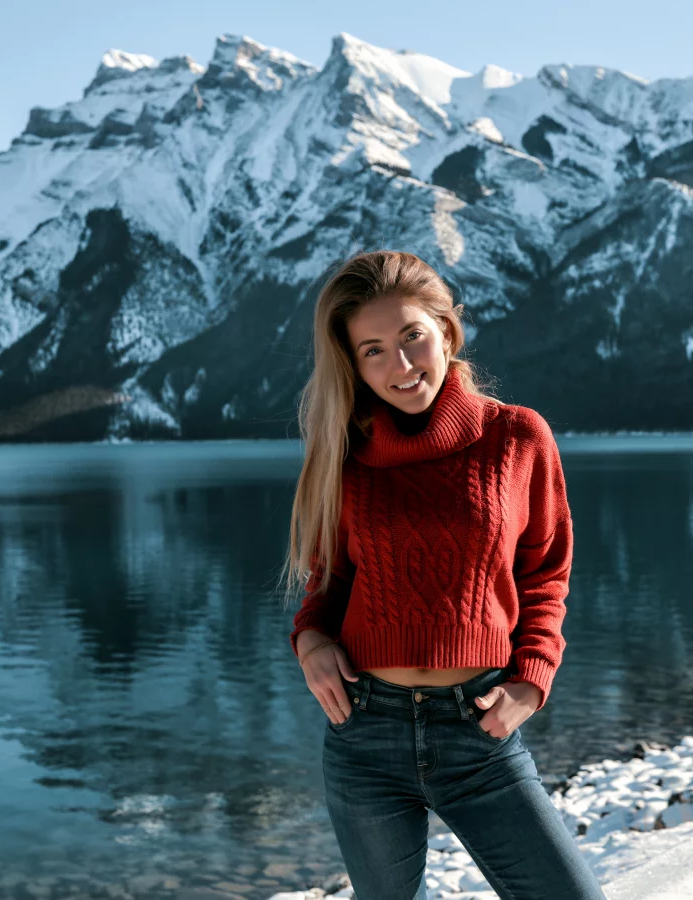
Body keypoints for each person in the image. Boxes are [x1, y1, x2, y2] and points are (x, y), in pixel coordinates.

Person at [278, 250, 607, 899]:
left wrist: (532, 679)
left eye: (411, 337)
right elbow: (328, 586)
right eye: (373, 350)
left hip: (479, 728)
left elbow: (545, 573)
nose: (399, 366)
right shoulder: (343, 458)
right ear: (352, 363)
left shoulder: (516, 438)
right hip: (363, 732)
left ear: (447, 331)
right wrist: (311, 641)